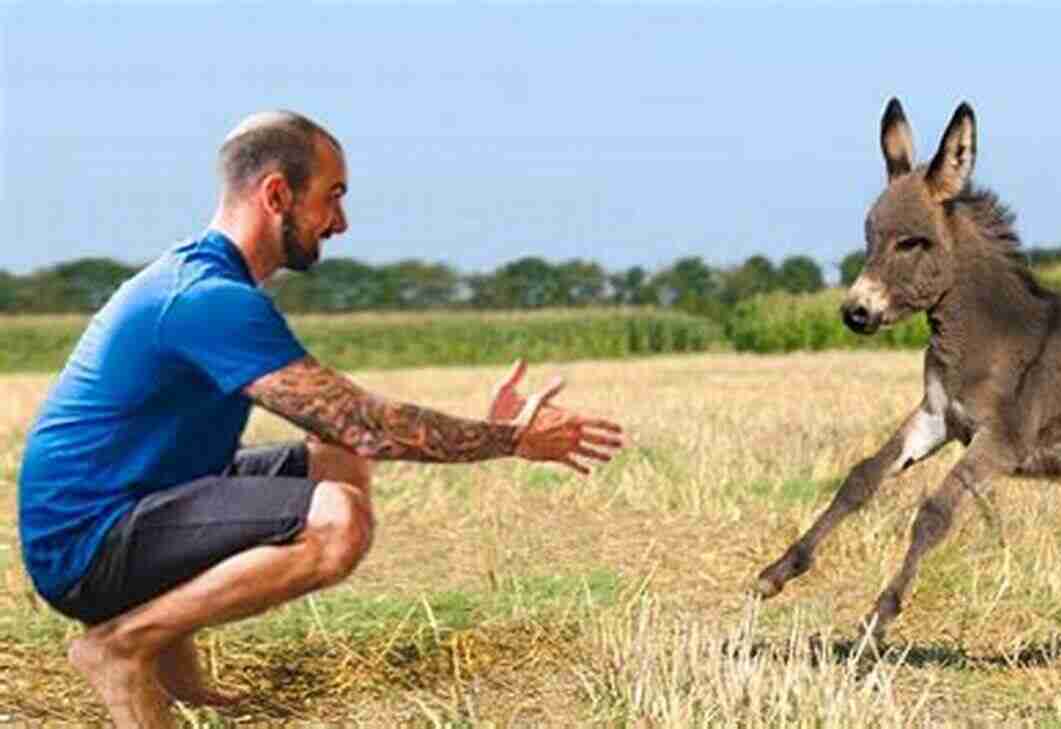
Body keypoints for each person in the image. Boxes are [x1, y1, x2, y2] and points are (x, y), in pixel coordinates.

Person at [17, 110, 624, 729]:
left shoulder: (202, 279)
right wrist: (513, 440)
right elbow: (365, 422)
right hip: (87, 544)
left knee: (336, 457)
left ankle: (176, 672)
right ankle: (123, 646)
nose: (340, 222)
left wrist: (481, 427)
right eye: (331, 196)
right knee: (338, 520)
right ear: (277, 194)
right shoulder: (206, 300)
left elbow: (342, 431)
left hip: (127, 504)